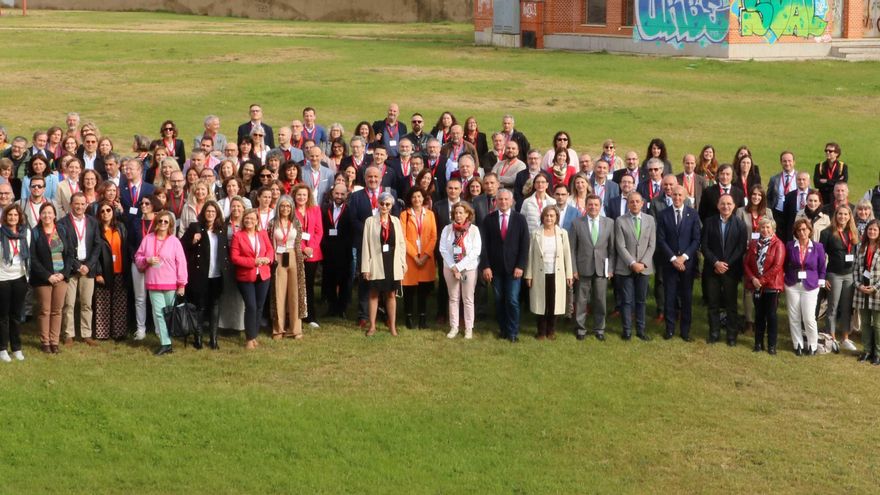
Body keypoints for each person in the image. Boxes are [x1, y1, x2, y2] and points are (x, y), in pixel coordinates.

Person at [134, 210, 187, 356]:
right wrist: (147, 260)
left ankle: (170, 339)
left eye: (166, 221)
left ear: (170, 224)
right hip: (153, 283)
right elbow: (138, 257)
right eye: (160, 221)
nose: (163, 224)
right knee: (159, 314)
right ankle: (166, 343)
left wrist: (182, 283)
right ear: (156, 223)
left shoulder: (174, 241)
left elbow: (181, 263)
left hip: (170, 283)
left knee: (169, 314)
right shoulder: (148, 239)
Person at [480, 189, 529, 342]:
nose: (503, 202)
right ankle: (503, 329)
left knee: (513, 300)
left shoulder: (520, 219)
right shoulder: (489, 219)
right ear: (496, 201)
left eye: (506, 199)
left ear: (512, 200)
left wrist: (521, 265)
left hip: (514, 268)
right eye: (500, 199)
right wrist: (486, 266)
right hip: (495, 269)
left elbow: (525, 244)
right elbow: (484, 245)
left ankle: (513, 331)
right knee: (499, 299)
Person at [656, 186, 701, 341]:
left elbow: (696, 239)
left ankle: (685, 331)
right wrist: (674, 259)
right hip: (669, 263)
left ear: (686, 196)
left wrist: (684, 257)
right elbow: (661, 239)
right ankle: (669, 329)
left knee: (687, 298)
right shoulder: (663, 214)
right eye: (674, 194)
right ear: (670, 196)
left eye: (680, 195)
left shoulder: (693, 214)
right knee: (670, 296)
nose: (677, 197)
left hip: (687, 264)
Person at [30, 202, 75, 354]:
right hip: (44, 279)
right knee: (44, 310)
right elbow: (33, 258)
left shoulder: (62, 230)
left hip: (61, 277)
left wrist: (63, 273)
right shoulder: (35, 232)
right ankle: (45, 342)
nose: (47, 215)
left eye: (50, 213)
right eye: (44, 213)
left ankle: (54, 342)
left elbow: (69, 254)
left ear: (55, 215)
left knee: (57, 311)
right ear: (40, 215)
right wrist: (48, 276)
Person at [181, 200, 227, 350]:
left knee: (215, 306)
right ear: (203, 213)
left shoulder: (221, 229)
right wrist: (192, 241)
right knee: (200, 307)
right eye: (208, 211)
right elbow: (182, 246)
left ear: (217, 214)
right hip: (200, 274)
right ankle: (198, 338)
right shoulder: (195, 227)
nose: (210, 214)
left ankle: (214, 339)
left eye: (213, 212)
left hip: (217, 274)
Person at [702, 194, 747, 345]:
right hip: (712, 270)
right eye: (723, 204)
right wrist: (716, 263)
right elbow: (705, 246)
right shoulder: (709, 222)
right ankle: (714, 333)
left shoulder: (740, 224)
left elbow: (741, 248)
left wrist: (725, 264)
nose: (726, 206)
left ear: (734, 206)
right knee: (713, 303)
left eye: (729, 204)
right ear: (718, 205)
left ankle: (731, 335)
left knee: (731, 305)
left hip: (731, 271)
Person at [58, 193, 101, 347]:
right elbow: (64, 248)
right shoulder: (62, 223)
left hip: (88, 268)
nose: (80, 207)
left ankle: (86, 334)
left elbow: (97, 245)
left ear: (86, 205)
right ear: (71, 204)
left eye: (83, 204)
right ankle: (68, 334)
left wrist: (88, 265)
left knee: (86, 303)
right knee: (68, 304)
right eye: (77, 204)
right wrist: (77, 266)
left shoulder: (93, 222)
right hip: (70, 268)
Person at [361, 192, 407, 336]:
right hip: (376, 262)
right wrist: (365, 268)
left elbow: (401, 243)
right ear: (377, 204)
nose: (384, 206)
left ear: (391, 206)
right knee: (374, 295)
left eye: (387, 204)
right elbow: (365, 245)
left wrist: (402, 263)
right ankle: (372, 326)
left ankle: (392, 326)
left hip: (392, 262)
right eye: (382, 203)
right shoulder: (370, 221)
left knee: (391, 295)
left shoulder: (396, 221)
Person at [525, 206, 573, 340]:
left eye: (552, 216)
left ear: (556, 218)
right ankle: (540, 331)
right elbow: (530, 255)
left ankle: (551, 330)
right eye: (547, 215)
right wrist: (528, 275)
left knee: (554, 303)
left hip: (557, 273)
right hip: (539, 273)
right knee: (541, 303)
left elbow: (567, 255)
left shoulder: (563, 233)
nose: (549, 218)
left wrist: (569, 274)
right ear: (542, 217)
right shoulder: (535, 233)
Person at [571, 195, 615, 341]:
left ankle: (599, 328)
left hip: (602, 268)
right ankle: (580, 329)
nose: (593, 207)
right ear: (586, 206)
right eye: (590, 204)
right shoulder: (577, 223)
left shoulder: (609, 223)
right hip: (583, 267)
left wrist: (610, 269)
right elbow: (572, 249)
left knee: (600, 300)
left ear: (600, 206)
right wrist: (574, 269)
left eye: (596, 205)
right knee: (581, 300)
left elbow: (612, 249)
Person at [230, 208, 274, 349]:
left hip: (263, 274)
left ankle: (254, 336)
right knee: (251, 306)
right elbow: (234, 258)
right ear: (243, 220)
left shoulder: (262, 234)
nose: (249, 221)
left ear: (257, 221)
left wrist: (268, 259)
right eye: (246, 218)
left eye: (252, 219)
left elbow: (270, 250)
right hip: (245, 276)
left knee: (259, 307)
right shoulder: (238, 236)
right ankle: (249, 338)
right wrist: (253, 262)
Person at [614, 192, 655, 341]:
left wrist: (642, 263)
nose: (635, 204)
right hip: (626, 267)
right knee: (626, 300)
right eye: (632, 202)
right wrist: (632, 263)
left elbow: (652, 244)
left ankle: (641, 330)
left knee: (641, 300)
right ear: (628, 204)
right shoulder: (620, 221)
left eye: (638, 201)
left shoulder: (650, 220)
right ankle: (627, 330)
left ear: (643, 203)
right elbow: (620, 245)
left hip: (644, 267)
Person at [438, 202, 481, 339]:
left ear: (467, 214)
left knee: (468, 299)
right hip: (450, 268)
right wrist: (453, 266)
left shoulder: (474, 230)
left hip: (468, 268)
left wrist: (459, 266)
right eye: (456, 212)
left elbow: (475, 251)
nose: (458, 215)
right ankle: (454, 327)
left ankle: (469, 328)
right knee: (453, 298)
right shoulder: (447, 229)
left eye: (461, 212)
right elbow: (443, 249)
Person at [785, 218, 827, 355]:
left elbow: (822, 267)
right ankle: (797, 344)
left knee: (809, 318)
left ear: (809, 230)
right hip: (792, 285)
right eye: (799, 230)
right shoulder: (790, 246)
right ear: (796, 232)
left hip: (811, 286)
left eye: (804, 229)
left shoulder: (818, 247)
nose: (802, 232)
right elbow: (785, 264)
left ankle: (813, 346)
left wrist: (821, 282)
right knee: (794, 316)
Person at [820, 205, 858, 352]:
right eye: (840, 214)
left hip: (849, 275)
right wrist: (823, 277)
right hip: (834, 275)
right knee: (833, 308)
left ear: (850, 216)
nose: (843, 217)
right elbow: (820, 257)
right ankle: (831, 338)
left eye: (846, 214)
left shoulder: (853, 233)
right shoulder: (827, 233)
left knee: (847, 308)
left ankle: (845, 338)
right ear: (835, 215)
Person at [744, 217, 785, 355]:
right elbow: (746, 263)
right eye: (762, 227)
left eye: (768, 227)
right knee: (759, 315)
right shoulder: (754, 244)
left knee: (771, 316)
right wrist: (753, 278)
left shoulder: (778, 244)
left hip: (772, 285)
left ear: (773, 229)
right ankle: (758, 343)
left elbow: (777, 266)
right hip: (756, 284)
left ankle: (772, 345)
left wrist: (761, 280)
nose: (765, 230)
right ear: (759, 229)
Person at [400, 187, 437, 329]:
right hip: (411, 258)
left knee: (423, 290)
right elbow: (403, 237)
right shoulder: (405, 215)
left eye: (419, 197)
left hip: (426, 258)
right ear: (410, 199)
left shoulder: (430, 215)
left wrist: (425, 255)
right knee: (409, 290)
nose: (417, 199)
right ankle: (408, 317)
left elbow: (434, 237)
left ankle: (422, 318)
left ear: (423, 198)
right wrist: (415, 256)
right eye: (414, 197)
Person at [93, 200, 129, 341]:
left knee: (119, 302)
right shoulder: (96, 229)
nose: (105, 213)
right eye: (102, 211)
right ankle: (103, 334)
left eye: (108, 210)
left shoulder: (120, 227)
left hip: (119, 270)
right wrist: (97, 273)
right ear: (99, 214)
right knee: (103, 303)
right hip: (103, 271)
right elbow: (94, 253)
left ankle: (119, 333)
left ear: (113, 212)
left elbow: (125, 248)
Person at [0, 205, 29, 362]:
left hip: (20, 277)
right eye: (9, 215)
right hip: (2, 279)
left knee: (16, 315)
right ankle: (3, 348)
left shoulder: (25, 233)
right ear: (5, 217)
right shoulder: (0, 234)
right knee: (3, 315)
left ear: (19, 217)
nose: (12, 218)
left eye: (15, 215)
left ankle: (16, 348)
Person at [291, 183, 322, 328]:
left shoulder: (315, 210)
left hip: (312, 254)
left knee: (308, 285)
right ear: (294, 196)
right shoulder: (291, 211)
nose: (301, 197)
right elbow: (291, 232)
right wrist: (303, 248)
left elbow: (318, 231)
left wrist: (311, 248)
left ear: (308, 196)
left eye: (304, 195)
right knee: (296, 284)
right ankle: (296, 315)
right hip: (296, 252)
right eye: (299, 195)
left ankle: (310, 316)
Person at [321, 184, 353, 319]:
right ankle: (332, 307)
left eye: (342, 194)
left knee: (344, 281)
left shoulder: (350, 210)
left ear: (346, 195)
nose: (339, 197)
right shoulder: (325, 209)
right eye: (337, 194)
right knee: (329, 280)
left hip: (344, 251)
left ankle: (342, 308)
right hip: (328, 251)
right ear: (332, 193)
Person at [218, 196, 247, 332]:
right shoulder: (224, 224)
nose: (236, 209)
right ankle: (225, 324)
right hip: (227, 262)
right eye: (233, 206)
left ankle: (239, 324)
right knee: (227, 294)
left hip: (244, 262)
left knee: (240, 296)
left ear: (243, 208)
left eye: (238, 206)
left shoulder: (248, 223)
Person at [854, 220, 880, 364]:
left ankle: (878, 353)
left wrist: (875, 287)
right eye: (870, 229)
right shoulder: (860, 247)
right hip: (862, 291)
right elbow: (856, 269)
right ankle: (866, 350)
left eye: (875, 230)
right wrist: (859, 285)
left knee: (877, 324)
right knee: (864, 322)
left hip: (877, 292)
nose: (872, 232)